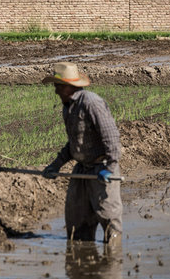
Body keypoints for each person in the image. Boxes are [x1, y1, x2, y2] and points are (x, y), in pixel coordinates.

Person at [41, 62, 122, 247]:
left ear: (68, 86)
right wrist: (56, 165)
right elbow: (74, 143)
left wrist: (110, 168)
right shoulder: (68, 106)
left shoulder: (91, 103)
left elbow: (111, 137)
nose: (55, 91)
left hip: (102, 169)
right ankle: (80, 268)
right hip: (82, 170)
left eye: (58, 86)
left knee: (109, 222)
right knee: (77, 224)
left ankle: (111, 264)